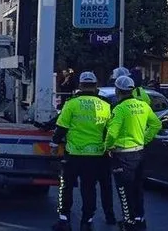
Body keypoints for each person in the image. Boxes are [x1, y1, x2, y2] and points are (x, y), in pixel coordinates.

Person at [51, 72, 112, 231]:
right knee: (89, 189)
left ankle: (64, 221)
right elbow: (109, 131)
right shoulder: (105, 105)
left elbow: (62, 128)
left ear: (80, 86)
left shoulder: (72, 103)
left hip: (73, 155)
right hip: (95, 156)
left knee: (66, 187)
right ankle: (87, 222)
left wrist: (54, 143)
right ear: (95, 86)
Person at [105, 76, 162, 231]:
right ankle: (139, 219)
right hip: (139, 153)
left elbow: (111, 133)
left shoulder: (120, 109)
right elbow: (157, 124)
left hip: (123, 155)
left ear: (118, 90)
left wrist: (108, 147)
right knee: (137, 188)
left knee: (124, 190)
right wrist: (144, 139)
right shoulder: (143, 106)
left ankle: (128, 223)